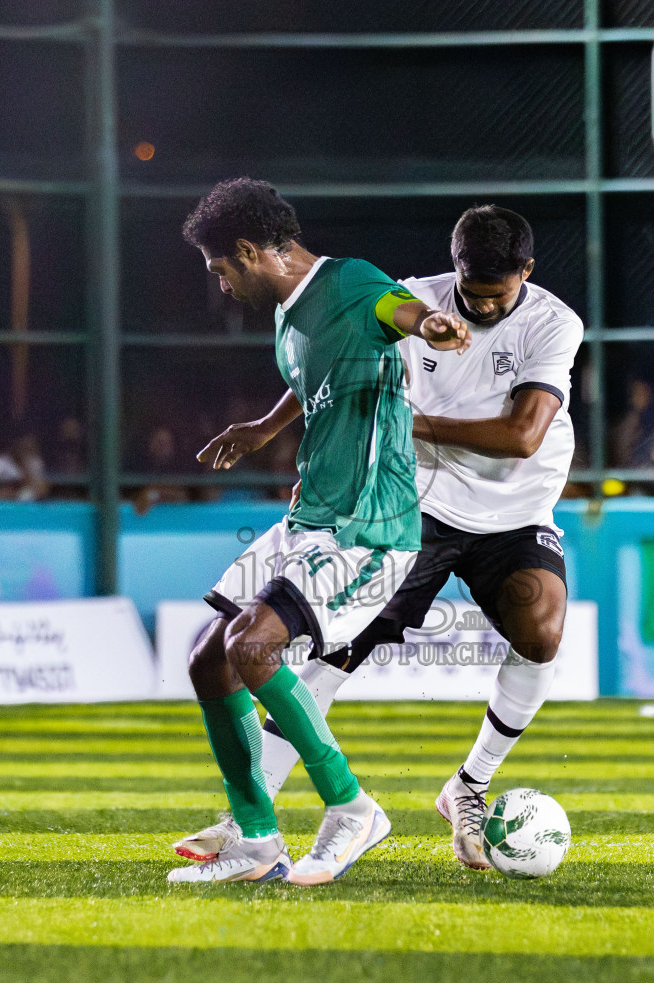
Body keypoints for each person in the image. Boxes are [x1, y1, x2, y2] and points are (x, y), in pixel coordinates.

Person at [178, 204, 580, 869]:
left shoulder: (552, 322)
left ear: (527, 274)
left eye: (497, 295)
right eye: (470, 291)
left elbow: (523, 436)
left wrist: (396, 422)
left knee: (541, 629)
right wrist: (286, 429)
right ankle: (255, 811)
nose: (480, 306)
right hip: (411, 501)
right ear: (453, 267)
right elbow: (333, 367)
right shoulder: (410, 296)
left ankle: (470, 786)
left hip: (516, 509)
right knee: (331, 647)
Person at [172, 178, 469, 885]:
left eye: (220, 271)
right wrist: (264, 429)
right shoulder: (287, 316)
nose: (220, 287)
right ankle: (255, 839)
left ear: (248, 251)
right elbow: (314, 385)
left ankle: (351, 805)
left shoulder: (350, 281)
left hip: (369, 524)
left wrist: (430, 325)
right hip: (311, 517)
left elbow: (397, 310)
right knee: (205, 660)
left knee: (253, 645)